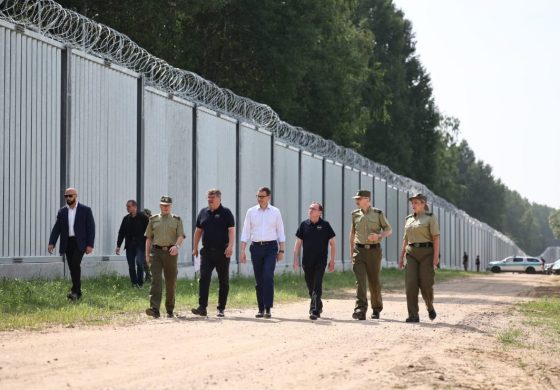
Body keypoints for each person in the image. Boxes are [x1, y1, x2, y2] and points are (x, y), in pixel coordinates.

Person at [240, 187, 286, 319]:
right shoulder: (251, 212)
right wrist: (242, 251)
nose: (259, 198)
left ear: (268, 197)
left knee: (267, 275)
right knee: (259, 279)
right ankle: (260, 308)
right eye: (258, 196)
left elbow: (281, 232)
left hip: (271, 247)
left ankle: (268, 308)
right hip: (256, 248)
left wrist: (281, 250)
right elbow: (245, 232)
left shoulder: (276, 212)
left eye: (262, 196)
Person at [191, 189, 235, 317]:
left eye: (212, 198)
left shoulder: (226, 213)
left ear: (219, 199)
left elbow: (231, 231)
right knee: (204, 278)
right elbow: (198, 231)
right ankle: (202, 307)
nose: (210, 201)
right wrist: (195, 247)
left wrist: (230, 246)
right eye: (208, 198)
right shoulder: (203, 212)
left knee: (223, 280)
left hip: (222, 252)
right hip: (207, 252)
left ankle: (221, 308)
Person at [349, 190, 392, 320]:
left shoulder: (378, 214)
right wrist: (352, 252)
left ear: (367, 199)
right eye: (356, 198)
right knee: (360, 282)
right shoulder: (355, 214)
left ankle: (376, 308)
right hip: (359, 251)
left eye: (359, 198)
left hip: (374, 251)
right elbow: (352, 234)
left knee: (374, 282)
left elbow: (388, 230)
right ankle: (360, 309)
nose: (357, 200)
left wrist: (379, 236)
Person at [399, 193, 440, 323]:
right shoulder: (409, 219)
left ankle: (429, 306)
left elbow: (436, 238)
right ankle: (413, 315)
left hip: (426, 253)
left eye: (416, 202)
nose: (413, 205)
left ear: (423, 204)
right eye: (412, 203)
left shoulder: (430, 217)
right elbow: (405, 239)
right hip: (411, 253)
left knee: (426, 284)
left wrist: (435, 257)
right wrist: (401, 257)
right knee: (411, 284)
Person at [48, 187, 95, 301]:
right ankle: (76, 292)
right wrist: (52, 243)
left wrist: (90, 245)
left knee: (75, 264)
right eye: (66, 196)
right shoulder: (62, 211)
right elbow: (57, 228)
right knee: (72, 267)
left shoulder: (86, 210)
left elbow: (91, 228)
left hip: (80, 243)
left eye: (70, 196)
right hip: (67, 242)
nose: (68, 198)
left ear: (75, 196)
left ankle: (75, 291)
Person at [293, 202, 336, 320]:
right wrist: (295, 259)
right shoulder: (304, 225)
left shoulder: (325, 225)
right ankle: (319, 305)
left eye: (313, 208)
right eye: (310, 208)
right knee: (310, 286)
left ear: (320, 212)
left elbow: (332, 244)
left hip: (320, 261)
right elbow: (298, 244)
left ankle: (314, 310)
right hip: (307, 261)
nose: (310, 210)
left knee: (317, 285)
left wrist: (332, 260)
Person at [144, 196, 186, 318]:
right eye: (163, 205)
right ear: (160, 206)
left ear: (171, 206)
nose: (165, 207)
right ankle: (154, 309)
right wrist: (147, 254)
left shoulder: (176, 219)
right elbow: (148, 238)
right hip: (156, 252)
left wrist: (176, 246)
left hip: (171, 253)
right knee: (155, 280)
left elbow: (181, 236)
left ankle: (169, 309)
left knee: (170, 282)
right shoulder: (153, 219)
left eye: (167, 205)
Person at [116, 200, 149, 288]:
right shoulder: (126, 219)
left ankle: (140, 283)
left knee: (139, 262)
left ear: (135, 207)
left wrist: (148, 243)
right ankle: (134, 283)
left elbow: (149, 232)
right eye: (127, 207)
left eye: (129, 206)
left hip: (140, 245)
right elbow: (121, 233)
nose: (127, 208)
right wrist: (118, 245)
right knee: (131, 265)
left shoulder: (143, 218)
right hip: (129, 246)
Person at [143, 208, 153, 282]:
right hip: (143, 244)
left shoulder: (152, 222)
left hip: (152, 244)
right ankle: (148, 276)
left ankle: (151, 277)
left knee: (151, 261)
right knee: (144, 261)